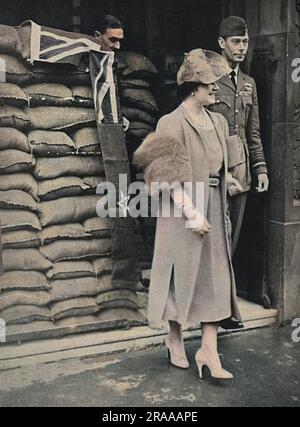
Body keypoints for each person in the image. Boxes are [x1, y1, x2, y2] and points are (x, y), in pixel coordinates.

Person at [133, 49, 243, 381]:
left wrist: (229, 179)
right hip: (181, 208)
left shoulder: (218, 121)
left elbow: (220, 163)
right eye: (210, 86)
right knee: (179, 276)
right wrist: (191, 212)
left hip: (212, 202)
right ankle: (174, 337)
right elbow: (165, 175)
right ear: (193, 88)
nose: (216, 91)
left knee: (215, 277)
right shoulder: (171, 122)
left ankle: (208, 349)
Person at [210, 16, 269, 254]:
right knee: (214, 237)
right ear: (221, 43)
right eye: (236, 41)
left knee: (231, 242)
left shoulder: (249, 83)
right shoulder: (209, 80)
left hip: (241, 170)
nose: (242, 47)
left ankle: (226, 289)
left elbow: (252, 132)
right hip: (215, 169)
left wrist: (260, 169)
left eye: (245, 41)